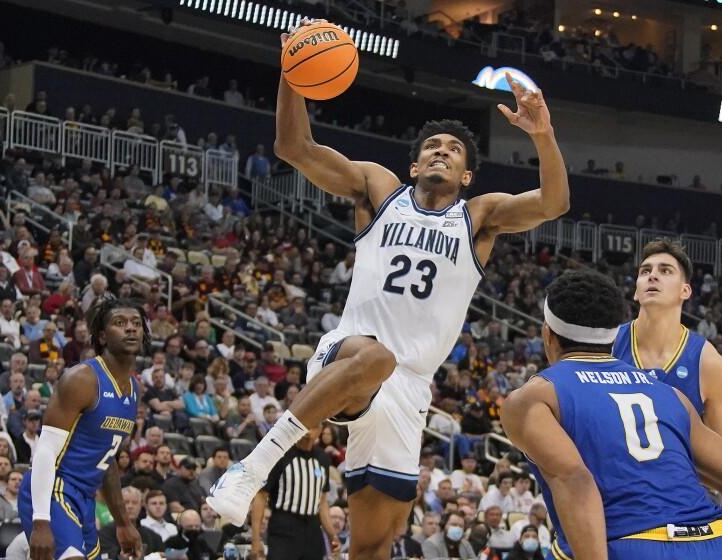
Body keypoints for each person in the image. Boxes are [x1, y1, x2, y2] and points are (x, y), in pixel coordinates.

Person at [209, 33, 568, 557]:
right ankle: (252, 467)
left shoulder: (479, 216)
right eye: (431, 148)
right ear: (415, 167)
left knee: (375, 544)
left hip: (411, 388)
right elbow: (294, 148)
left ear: (466, 175)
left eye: (453, 150)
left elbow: (554, 203)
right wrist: (291, 75)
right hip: (350, 353)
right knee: (376, 354)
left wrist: (543, 135)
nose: (441, 150)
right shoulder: (379, 190)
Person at [501, 270, 722, 560]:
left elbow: (575, 481)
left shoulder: (534, 397)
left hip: (630, 544)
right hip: (721, 544)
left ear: (547, 335)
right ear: (614, 339)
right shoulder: (670, 394)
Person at [18, 298, 149, 560]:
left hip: (85, 499)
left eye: (136, 323)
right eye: (120, 323)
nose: (131, 329)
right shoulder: (82, 378)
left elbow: (107, 460)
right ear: (102, 336)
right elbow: (44, 451)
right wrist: (41, 520)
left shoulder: (134, 390)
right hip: (55, 488)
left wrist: (123, 522)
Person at [612, 240, 722, 448]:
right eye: (645, 271)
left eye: (666, 271)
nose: (652, 275)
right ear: (636, 291)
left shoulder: (708, 363)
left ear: (685, 291)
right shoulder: (606, 344)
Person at [249, 423, 340, 560]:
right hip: (284, 526)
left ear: (320, 430)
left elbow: (322, 503)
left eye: (313, 426)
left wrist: (332, 535)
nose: (308, 431)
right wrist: (255, 539)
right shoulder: (280, 455)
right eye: (306, 425)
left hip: (312, 528)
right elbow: (261, 497)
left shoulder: (323, 459)